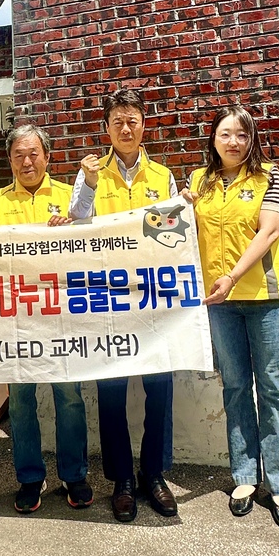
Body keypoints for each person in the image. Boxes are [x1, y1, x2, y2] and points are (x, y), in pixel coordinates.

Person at [183, 105, 279, 529]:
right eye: (225, 134)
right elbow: (178, 232)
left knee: (272, 387)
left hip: (264, 297)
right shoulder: (199, 181)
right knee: (235, 386)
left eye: (242, 135)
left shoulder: (271, 176)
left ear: (252, 139)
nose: (233, 142)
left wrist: (231, 276)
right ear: (212, 138)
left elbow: (268, 232)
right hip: (218, 301)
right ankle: (245, 478)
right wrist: (180, 208)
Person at [69, 89, 178, 522]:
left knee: (160, 389)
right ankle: (122, 480)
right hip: (107, 298)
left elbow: (173, 235)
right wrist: (90, 186)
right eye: (118, 122)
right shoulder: (92, 173)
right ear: (108, 129)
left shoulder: (163, 175)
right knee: (110, 391)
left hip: (153, 299)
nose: (126, 128)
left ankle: (154, 475)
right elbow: (78, 222)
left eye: (132, 120)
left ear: (143, 125)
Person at [0, 124, 93, 514]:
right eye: (18, 155)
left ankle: (74, 474)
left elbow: (93, 247)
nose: (27, 162)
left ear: (47, 155)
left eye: (33, 154)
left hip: (61, 315)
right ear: (8, 160)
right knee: (22, 401)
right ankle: (29, 477)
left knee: (69, 397)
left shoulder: (69, 198)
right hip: (15, 317)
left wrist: (73, 228)